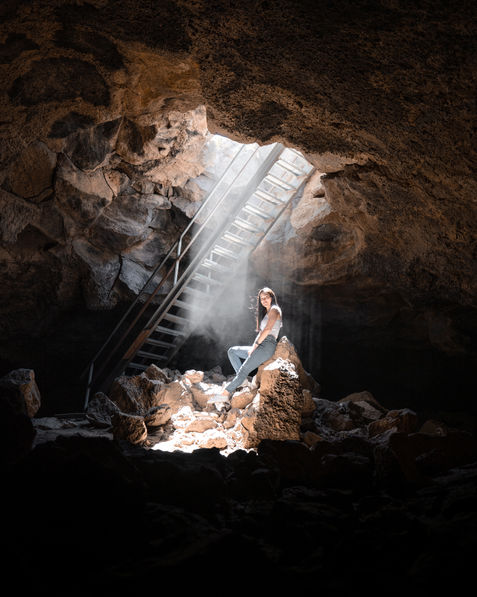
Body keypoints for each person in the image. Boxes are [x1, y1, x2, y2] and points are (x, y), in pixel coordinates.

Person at [221, 287, 282, 399]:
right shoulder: (266, 312)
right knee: (232, 351)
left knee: (244, 370)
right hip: (261, 344)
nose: (264, 300)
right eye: (261, 298)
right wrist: (253, 347)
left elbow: (267, 329)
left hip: (268, 345)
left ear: (271, 297)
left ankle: (224, 395)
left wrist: (254, 347)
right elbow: (260, 333)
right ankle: (243, 381)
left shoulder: (275, 309)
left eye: (266, 297)